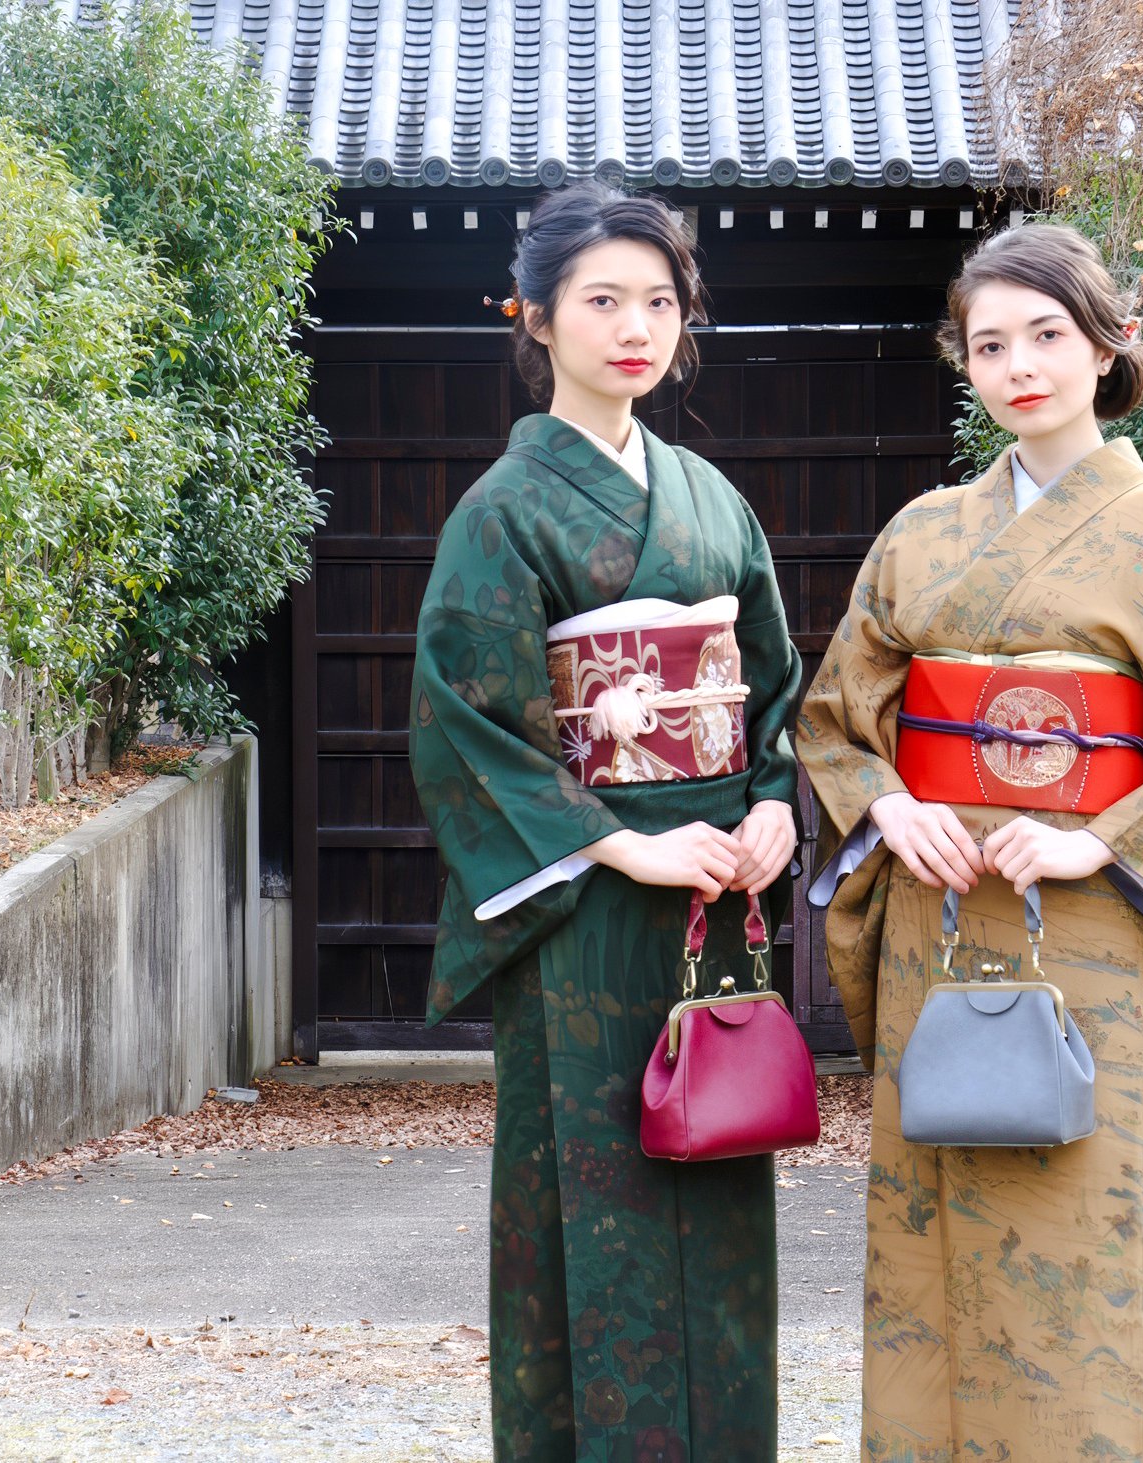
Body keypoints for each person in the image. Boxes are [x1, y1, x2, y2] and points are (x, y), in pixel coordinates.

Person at [795, 223, 1143, 1460]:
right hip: (937, 907)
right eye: (990, 344)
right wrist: (888, 806)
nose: (1019, 365)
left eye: (1048, 335)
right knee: (925, 1217)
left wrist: (1100, 840)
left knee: (1080, 1218)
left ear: (1110, 344)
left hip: (1086, 921)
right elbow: (839, 716)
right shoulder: (923, 531)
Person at [406, 181, 802, 1461]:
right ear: (536, 318)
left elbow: (771, 684)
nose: (637, 327)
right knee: (593, 1183)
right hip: (589, 899)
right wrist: (625, 841)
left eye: (661, 302)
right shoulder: (502, 512)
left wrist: (773, 803)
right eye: (602, 301)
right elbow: (470, 720)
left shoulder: (710, 497)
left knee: (718, 1169)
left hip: (715, 889)